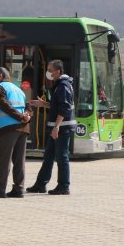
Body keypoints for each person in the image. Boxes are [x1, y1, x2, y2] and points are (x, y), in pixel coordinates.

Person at [27, 59, 76, 195]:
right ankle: (40, 184)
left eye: (50, 70)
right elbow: (58, 105)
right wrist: (44, 104)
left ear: (58, 71)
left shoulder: (63, 86)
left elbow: (64, 108)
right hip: (58, 128)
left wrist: (57, 127)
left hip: (62, 128)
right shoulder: (60, 85)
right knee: (49, 156)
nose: (48, 73)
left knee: (62, 157)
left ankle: (63, 186)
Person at [0, 68, 32, 198]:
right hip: (23, 128)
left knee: (4, 159)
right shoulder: (18, 89)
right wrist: (27, 116)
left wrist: (20, 117)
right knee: (19, 160)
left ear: (0, 76)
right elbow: (28, 106)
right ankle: (18, 188)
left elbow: (3, 105)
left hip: (8, 128)